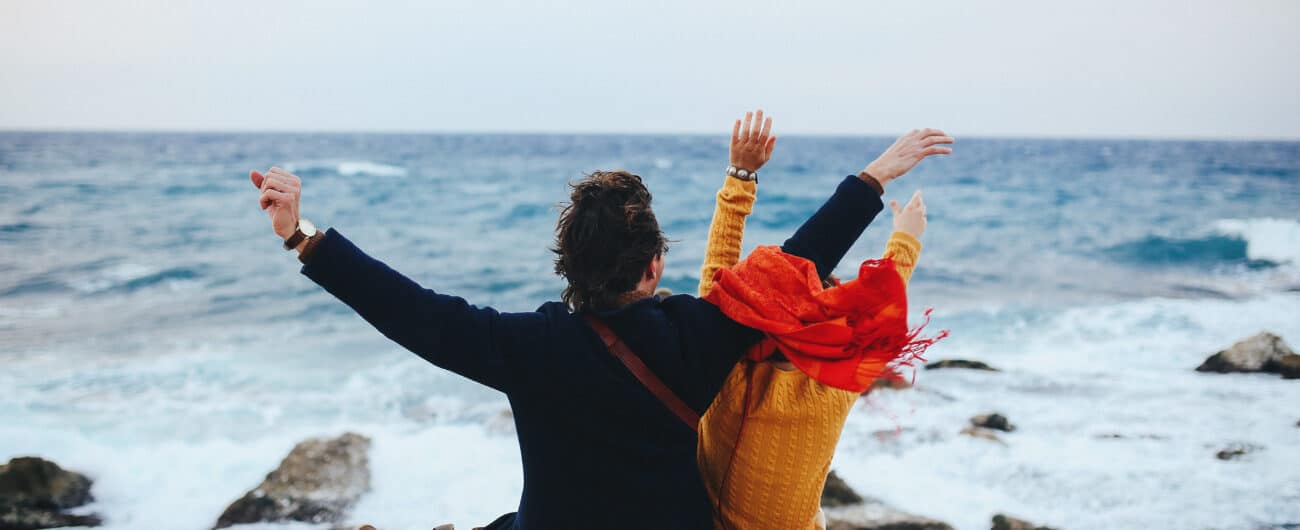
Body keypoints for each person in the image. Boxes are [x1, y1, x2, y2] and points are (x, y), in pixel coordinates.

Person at [246, 109, 889, 530]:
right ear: (654, 268)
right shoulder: (698, 332)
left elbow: (411, 311)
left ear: (570, 268)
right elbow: (797, 260)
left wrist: (300, 234)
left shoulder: (527, 346)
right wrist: (874, 177)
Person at [696, 119, 951, 529]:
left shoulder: (733, 371)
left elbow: (718, 272)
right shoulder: (836, 386)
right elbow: (880, 312)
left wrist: (741, 175)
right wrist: (907, 239)